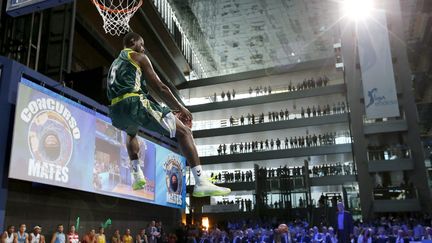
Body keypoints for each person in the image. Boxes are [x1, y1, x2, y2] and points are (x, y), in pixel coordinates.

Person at [106, 32, 230, 197]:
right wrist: (179, 108)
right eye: (141, 44)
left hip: (115, 111)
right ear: (133, 41)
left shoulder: (115, 63)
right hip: (133, 103)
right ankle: (201, 182)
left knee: (131, 132)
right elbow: (160, 87)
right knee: (185, 131)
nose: (143, 49)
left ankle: (136, 174)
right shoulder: (138, 57)